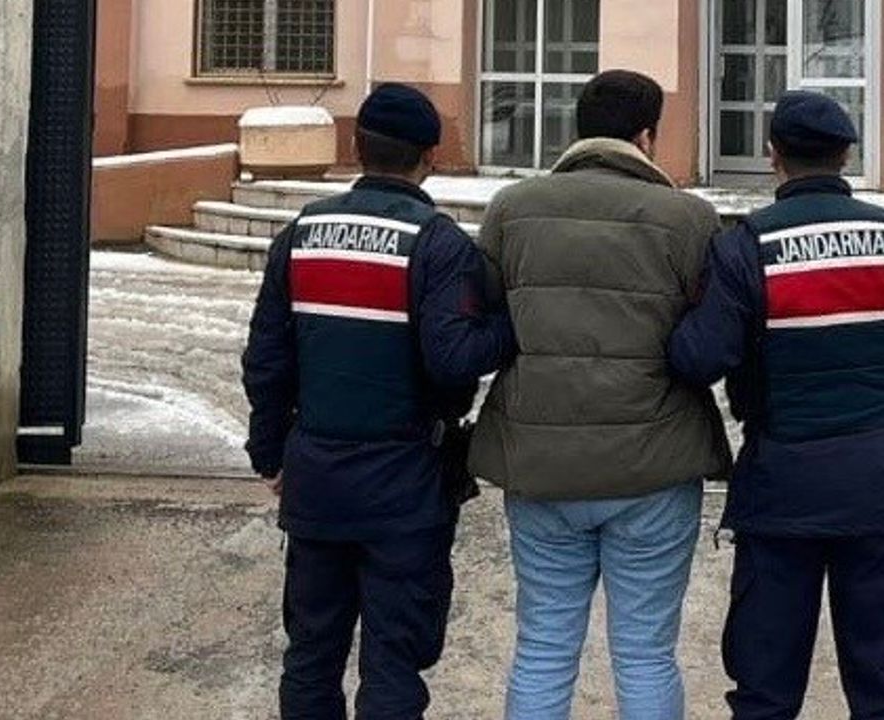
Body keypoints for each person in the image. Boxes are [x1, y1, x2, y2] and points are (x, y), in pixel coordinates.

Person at [667, 91, 884, 719]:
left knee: (765, 692)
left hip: (783, 492)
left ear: (772, 155)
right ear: (846, 157)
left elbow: (699, 359)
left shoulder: (746, 248)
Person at [242, 83, 516, 720]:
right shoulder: (438, 243)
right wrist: (512, 327)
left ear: (356, 146)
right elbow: (453, 361)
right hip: (405, 486)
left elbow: (267, 360)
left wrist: (270, 453)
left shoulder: (302, 233)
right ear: (430, 157)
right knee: (394, 661)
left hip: (316, 482)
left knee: (311, 654)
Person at [468, 70, 732, 720]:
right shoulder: (689, 218)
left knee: (543, 647)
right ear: (646, 136)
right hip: (655, 466)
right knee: (645, 654)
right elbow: (708, 335)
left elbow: (488, 319)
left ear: (578, 130)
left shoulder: (512, 209)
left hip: (541, 465)